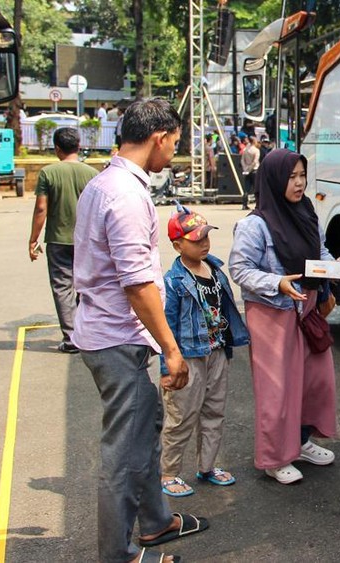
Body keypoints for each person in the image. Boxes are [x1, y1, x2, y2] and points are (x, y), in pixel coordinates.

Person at [73, 98, 209, 563]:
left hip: (109, 332)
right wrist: (172, 349)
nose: (173, 152)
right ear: (157, 138)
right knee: (124, 454)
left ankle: (155, 521)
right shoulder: (127, 196)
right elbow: (138, 285)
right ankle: (117, 554)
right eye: (173, 143)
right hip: (118, 338)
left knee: (143, 432)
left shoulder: (103, 183)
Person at [228, 148, 338, 485]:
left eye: (302, 175)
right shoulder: (254, 225)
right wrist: (276, 282)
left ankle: (301, 441)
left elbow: (319, 251)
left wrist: (339, 268)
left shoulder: (306, 211)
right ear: (274, 180)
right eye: (292, 177)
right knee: (277, 389)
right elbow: (239, 268)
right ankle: (275, 458)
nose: (300, 183)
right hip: (273, 312)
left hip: (308, 307)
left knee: (313, 381)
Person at [159, 205, 249, 497]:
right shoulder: (174, 281)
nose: (204, 243)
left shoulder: (215, 269)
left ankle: (207, 467)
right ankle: (169, 472)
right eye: (196, 240)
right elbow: (166, 326)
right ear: (177, 244)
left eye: (206, 237)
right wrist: (167, 366)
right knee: (182, 415)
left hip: (217, 351)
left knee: (214, 412)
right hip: (188, 356)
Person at [28, 127, 98, 353]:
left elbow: (41, 209)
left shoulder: (48, 173)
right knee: (86, 287)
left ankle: (71, 339)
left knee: (62, 288)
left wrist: (33, 239)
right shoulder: (92, 173)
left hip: (58, 239)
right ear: (79, 146)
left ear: (57, 148)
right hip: (86, 240)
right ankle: (88, 335)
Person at [240, 136, 260, 210]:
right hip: (254, 170)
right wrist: (250, 168)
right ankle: (258, 205)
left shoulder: (245, 150)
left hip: (246, 171)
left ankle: (244, 204)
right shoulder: (256, 150)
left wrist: (246, 168)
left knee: (246, 188)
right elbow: (255, 161)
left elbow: (242, 160)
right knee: (256, 188)